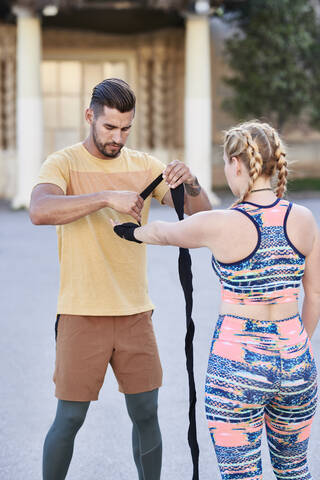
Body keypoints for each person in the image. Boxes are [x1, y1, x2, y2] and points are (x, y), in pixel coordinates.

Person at [113, 120, 320, 480]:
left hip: (237, 366)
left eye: (226, 164)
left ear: (237, 165)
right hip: (296, 360)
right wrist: (297, 348)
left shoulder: (223, 222)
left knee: (241, 475)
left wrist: (130, 231)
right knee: (295, 471)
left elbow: (164, 232)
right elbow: (314, 294)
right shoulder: (303, 218)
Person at [29, 78, 211, 480]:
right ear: (90, 116)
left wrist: (192, 181)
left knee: (147, 414)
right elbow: (40, 210)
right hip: (80, 313)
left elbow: (201, 215)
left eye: (126, 128)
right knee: (70, 418)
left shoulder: (144, 165)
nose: (118, 137)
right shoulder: (63, 163)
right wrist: (106, 197)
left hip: (134, 315)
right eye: (110, 127)